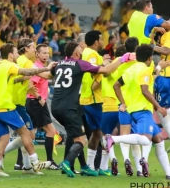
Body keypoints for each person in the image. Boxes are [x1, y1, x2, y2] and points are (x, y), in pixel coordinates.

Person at [51, 41, 134, 178]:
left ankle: (84, 166)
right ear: (77, 53)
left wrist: (42, 69)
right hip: (71, 107)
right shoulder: (80, 63)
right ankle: (67, 162)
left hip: (55, 106)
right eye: (80, 50)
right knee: (82, 140)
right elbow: (106, 71)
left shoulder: (59, 63)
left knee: (76, 135)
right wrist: (122, 59)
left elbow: (49, 74)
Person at [0, 43, 55, 176]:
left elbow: (13, 80)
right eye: (16, 52)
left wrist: (23, 79)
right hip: (5, 105)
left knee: (4, 137)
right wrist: (46, 68)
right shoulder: (10, 65)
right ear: (11, 55)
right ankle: (35, 163)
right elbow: (26, 71)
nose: (17, 54)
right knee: (25, 132)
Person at [106, 45, 170, 180]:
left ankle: (169, 173)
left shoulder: (131, 69)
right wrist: (158, 107)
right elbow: (145, 90)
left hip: (131, 109)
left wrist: (123, 102)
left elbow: (116, 85)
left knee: (158, 140)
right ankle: (113, 139)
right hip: (142, 110)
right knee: (146, 141)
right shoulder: (145, 70)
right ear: (149, 58)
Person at [26, 44, 59, 169]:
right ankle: (50, 161)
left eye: (47, 53)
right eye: (44, 53)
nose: (46, 55)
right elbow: (30, 84)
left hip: (34, 102)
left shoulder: (42, 67)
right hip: (36, 102)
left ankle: (21, 162)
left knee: (29, 134)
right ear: (37, 54)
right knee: (50, 131)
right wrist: (39, 97)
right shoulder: (37, 67)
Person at [95, 45, 126, 176]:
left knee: (106, 136)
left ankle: (108, 163)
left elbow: (94, 86)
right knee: (123, 136)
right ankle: (126, 161)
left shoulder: (108, 68)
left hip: (107, 106)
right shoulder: (125, 67)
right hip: (122, 104)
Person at [79, 30, 105, 175]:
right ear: (96, 41)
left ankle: (90, 166)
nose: (102, 42)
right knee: (106, 131)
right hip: (94, 99)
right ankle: (103, 167)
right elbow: (96, 74)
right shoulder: (92, 55)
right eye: (101, 39)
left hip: (86, 98)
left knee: (96, 133)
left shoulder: (85, 53)